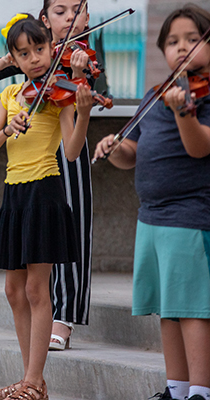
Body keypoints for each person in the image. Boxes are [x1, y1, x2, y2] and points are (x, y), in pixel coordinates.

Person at [94, 5, 210, 400]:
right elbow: (132, 154)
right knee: (166, 306)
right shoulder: (154, 95)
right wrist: (114, 149)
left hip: (190, 215)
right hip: (151, 216)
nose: (182, 49)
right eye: (173, 42)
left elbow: (199, 148)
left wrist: (183, 113)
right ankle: (176, 388)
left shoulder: (200, 97)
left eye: (193, 40)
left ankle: (201, 390)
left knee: (192, 308)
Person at [0, 14, 94, 400]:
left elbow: (74, 150)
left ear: (50, 47)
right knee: (13, 290)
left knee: (35, 288)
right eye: (24, 53)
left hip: (44, 191)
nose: (35, 59)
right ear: (13, 58)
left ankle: (32, 381)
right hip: (14, 195)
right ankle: (33, 381)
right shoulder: (12, 96)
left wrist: (84, 112)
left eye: (40, 49)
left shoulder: (58, 98)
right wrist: (7, 128)